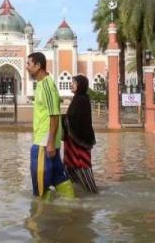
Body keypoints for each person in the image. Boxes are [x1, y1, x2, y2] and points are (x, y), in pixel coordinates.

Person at [25, 52, 75, 199]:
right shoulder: (41, 84)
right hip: (47, 140)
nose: (27, 67)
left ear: (38, 65)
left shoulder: (47, 85)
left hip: (44, 142)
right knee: (58, 176)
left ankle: (39, 217)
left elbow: (54, 115)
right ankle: (71, 204)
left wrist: (50, 142)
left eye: (29, 64)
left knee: (40, 184)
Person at [62, 75, 98, 193]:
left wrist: (61, 119)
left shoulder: (81, 100)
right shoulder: (79, 98)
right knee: (71, 171)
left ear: (80, 85)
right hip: (75, 145)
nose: (71, 84)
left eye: (74, 82)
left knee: (83, 169)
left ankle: (92, 196)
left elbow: (74, 120)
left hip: (79, 144)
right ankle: (75, 196)